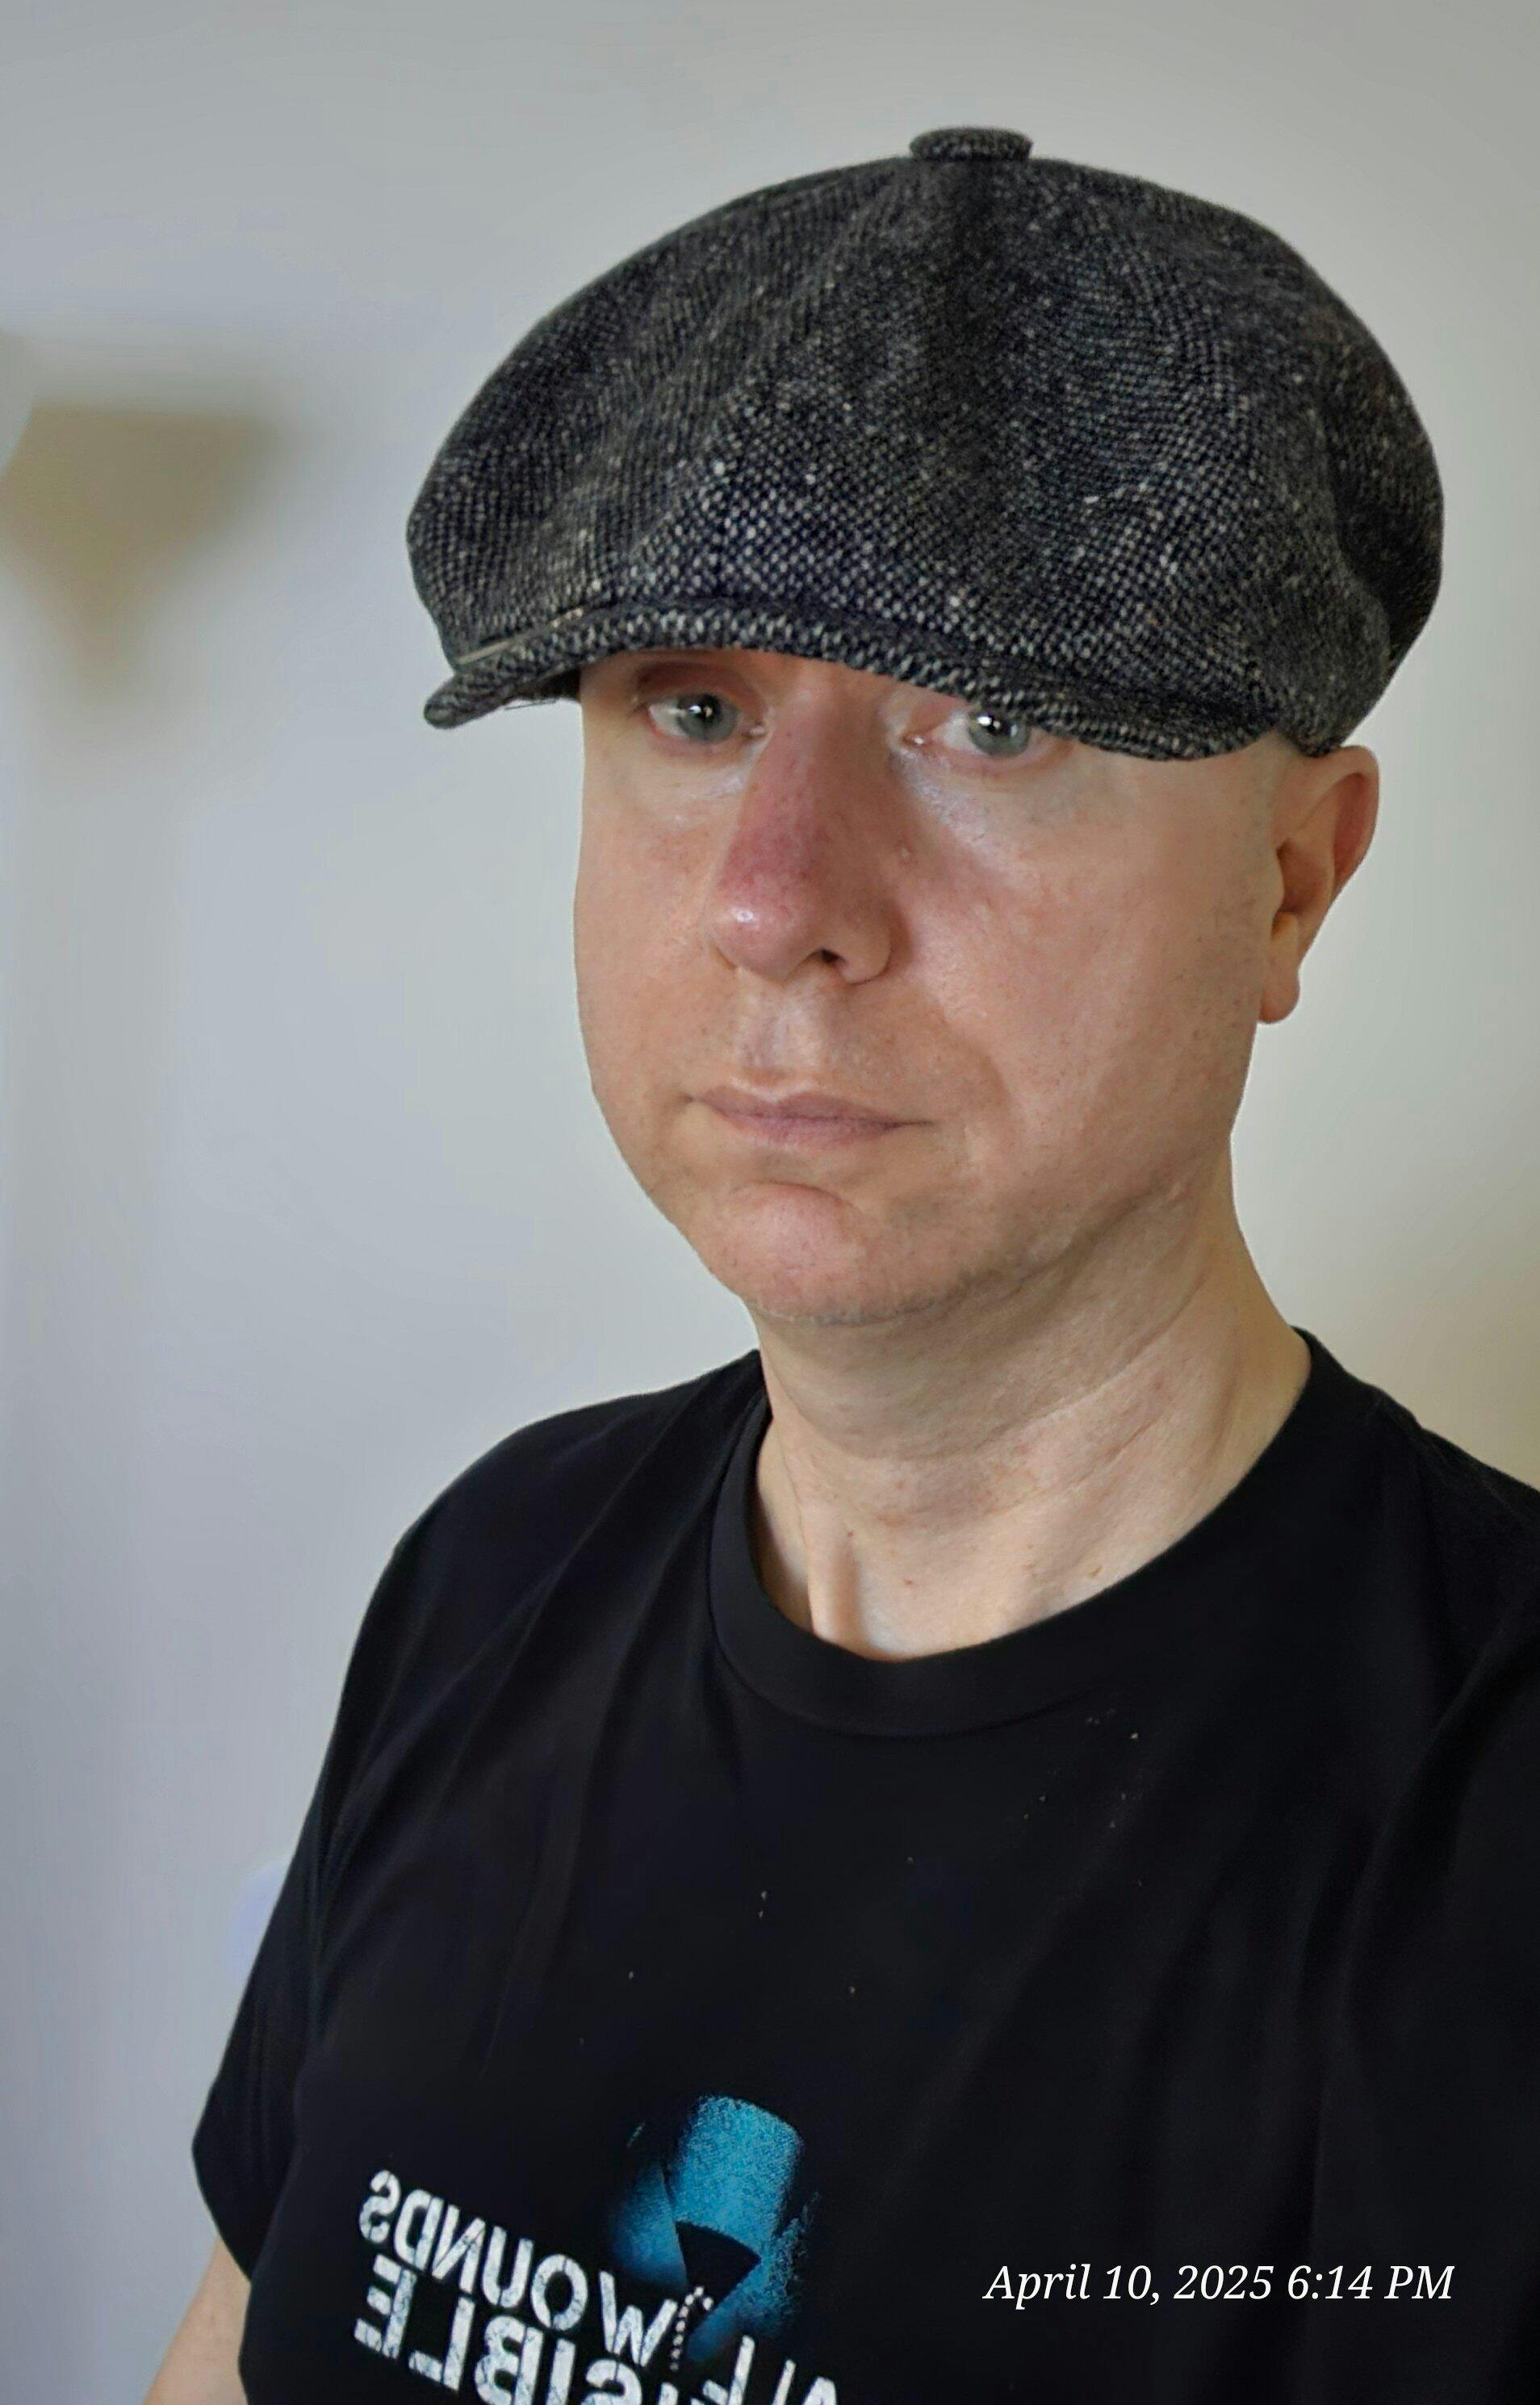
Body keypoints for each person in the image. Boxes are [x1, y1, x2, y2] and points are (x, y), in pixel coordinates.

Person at [146, 127, 1540, 2405]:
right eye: (694, 714)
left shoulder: (1485, 1835)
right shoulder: (497, 1570)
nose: (774, 897)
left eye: (986, 718)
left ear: (1294, 879)